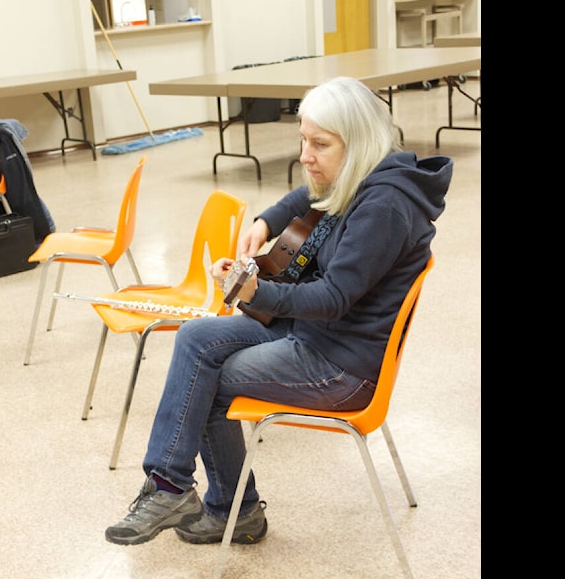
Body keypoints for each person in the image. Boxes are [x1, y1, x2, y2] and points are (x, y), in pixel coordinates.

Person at [104, 76, 452, 547]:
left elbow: (331, 298)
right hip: (313, 334)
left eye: (320, 144)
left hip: (340, 365)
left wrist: (252, 291)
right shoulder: (366, 172)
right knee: (194, 340)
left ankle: (215, 504)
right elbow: (308, 195)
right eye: (303, 139)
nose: (306, 155)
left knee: (205, 380)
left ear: (360, 143)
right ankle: (183, 491)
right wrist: (265, 221)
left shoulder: (385, 207)